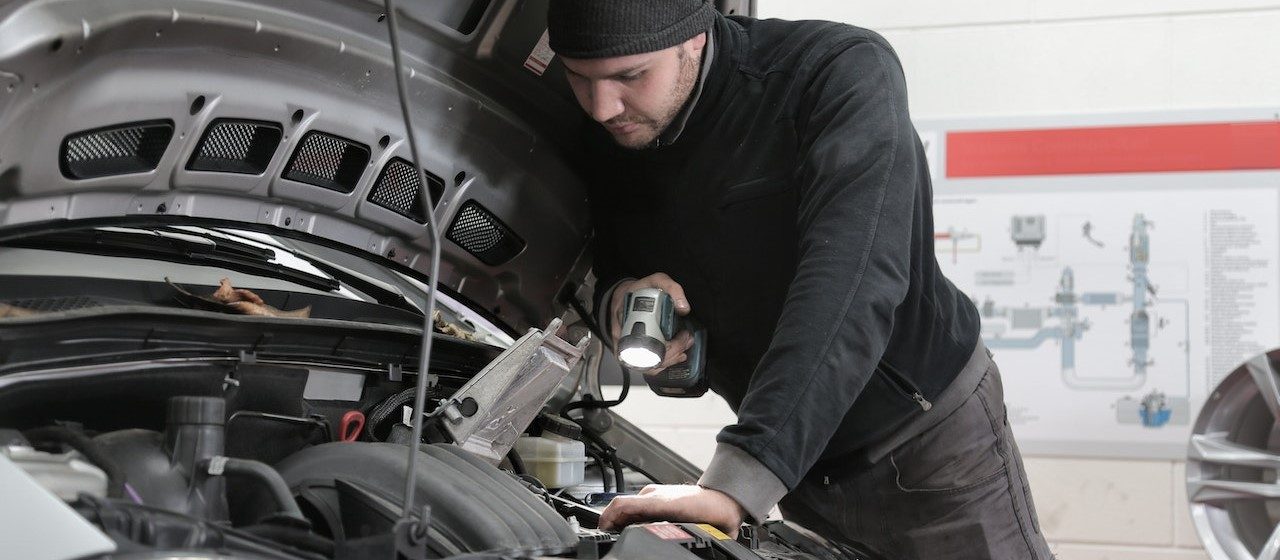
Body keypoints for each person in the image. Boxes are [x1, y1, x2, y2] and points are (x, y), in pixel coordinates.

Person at [546, 1, 1053, 558]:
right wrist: (619, 300)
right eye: (578, 77)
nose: (601, 107)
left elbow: (853, 283)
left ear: (694, 37)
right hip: (800, 469)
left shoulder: (835, 74)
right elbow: (605, 256)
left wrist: (742, 476)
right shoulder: (603, 131)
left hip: (930, 449)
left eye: (629, 76)